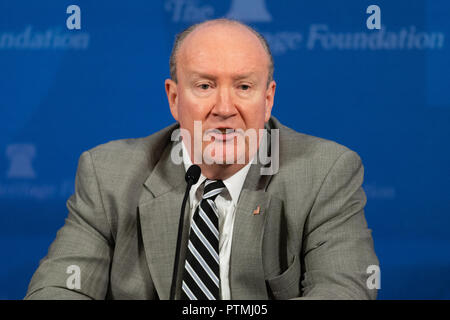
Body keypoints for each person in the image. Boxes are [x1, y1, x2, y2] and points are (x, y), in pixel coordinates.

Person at [25, 19, 379, 300]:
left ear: (268, 99)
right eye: (205, 86)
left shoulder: (325, 173)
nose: (224, 109)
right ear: (174, 98)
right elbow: (58, 289)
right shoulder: (109, 176)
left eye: (243, 87)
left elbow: (343, 290)